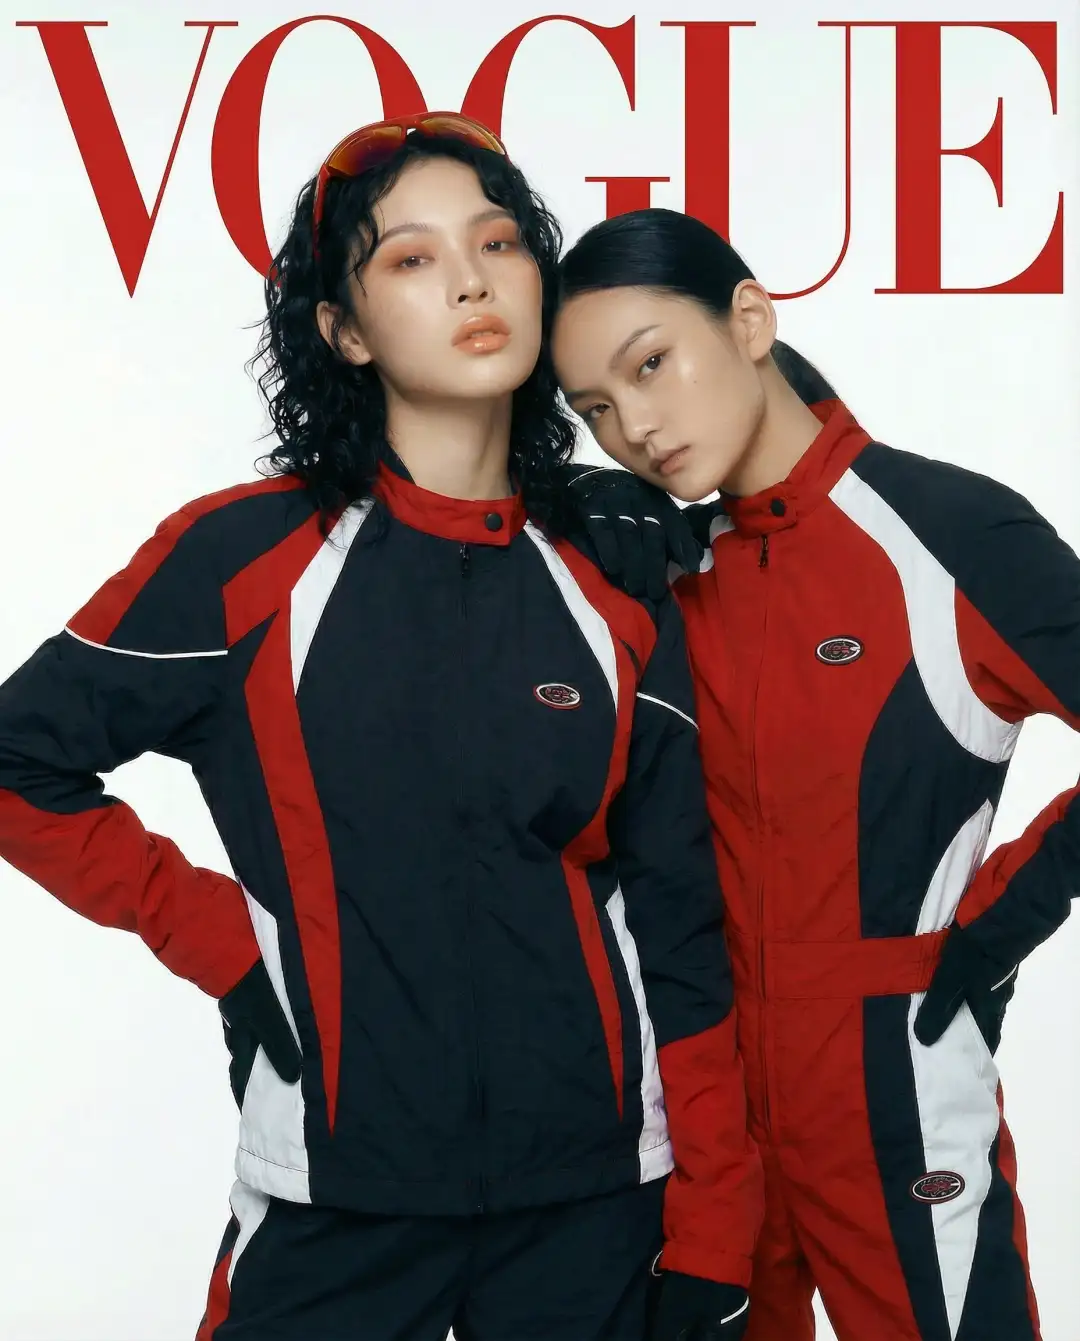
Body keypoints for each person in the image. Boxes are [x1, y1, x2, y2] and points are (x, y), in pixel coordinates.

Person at [0, 123, 762, 1339]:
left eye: (499, 245)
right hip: (334, 1198)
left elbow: (680, 917)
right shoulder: (245, 560)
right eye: (411, 259)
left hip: (596, 1204)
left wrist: (719, 1220)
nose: (470, 282)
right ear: (344, 331)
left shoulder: (616, 570)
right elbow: (18, 759)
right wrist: (229, 944)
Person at [551, 206, 1076, 1341]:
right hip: (698, 1122)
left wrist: (995, 925)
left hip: (893, 1084)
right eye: (594, 410)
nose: (635, 427)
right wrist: (566, 518)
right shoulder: (659, 574)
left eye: (651, 364)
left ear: (749, 320)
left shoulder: (949, 532)